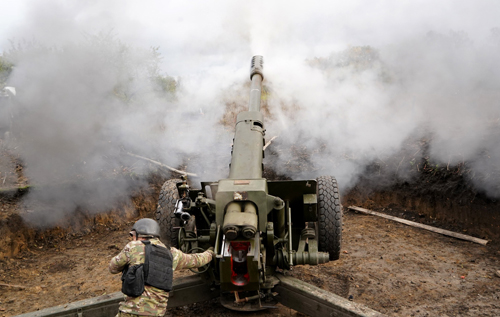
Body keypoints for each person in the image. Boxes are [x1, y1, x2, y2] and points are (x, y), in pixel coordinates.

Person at [109, 218, 214, 317]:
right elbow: (197, 260)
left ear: (139, 234)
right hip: (156, 313)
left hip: (131, 311)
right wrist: (211, 252)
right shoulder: (172, 253)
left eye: (132, 234)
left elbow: (113, 268)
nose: (132, 237)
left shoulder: (133, 247)